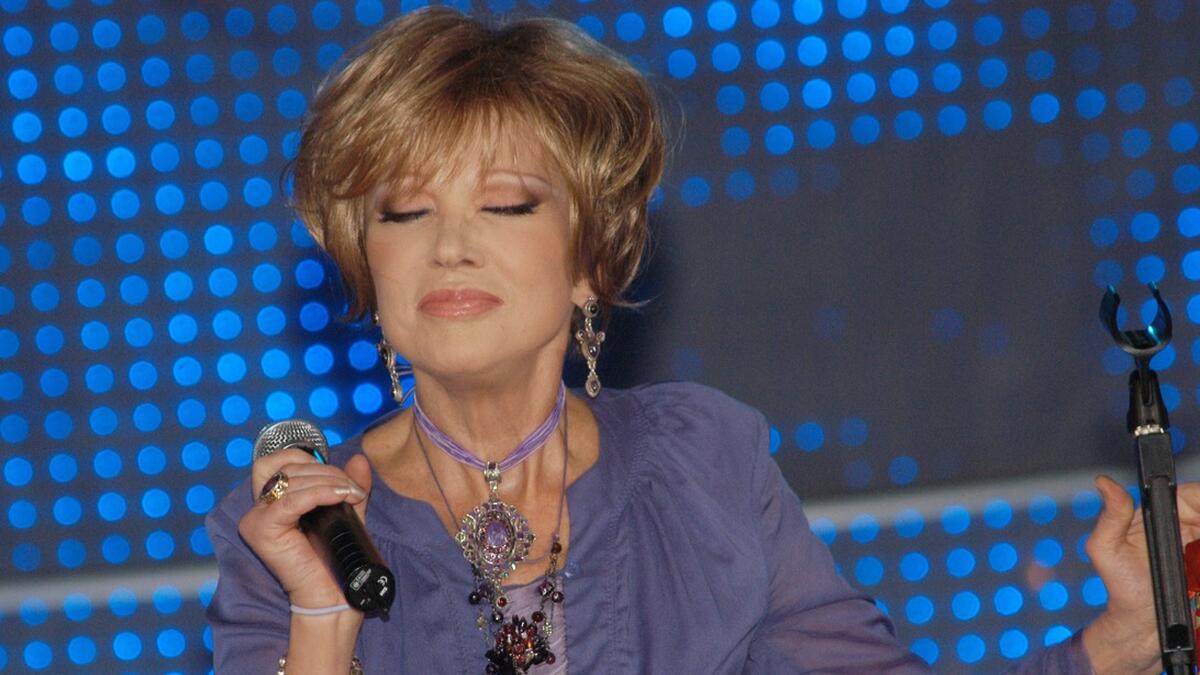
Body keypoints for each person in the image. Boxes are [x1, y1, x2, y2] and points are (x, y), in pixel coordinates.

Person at [206, 7, 1200, 674]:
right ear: (365, 263)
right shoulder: (299, 529)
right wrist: (323, 614)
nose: (450, 246)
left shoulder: (706, 463)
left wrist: (1119, 640)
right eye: (405, 213)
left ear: (590, 259)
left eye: (504, 204)